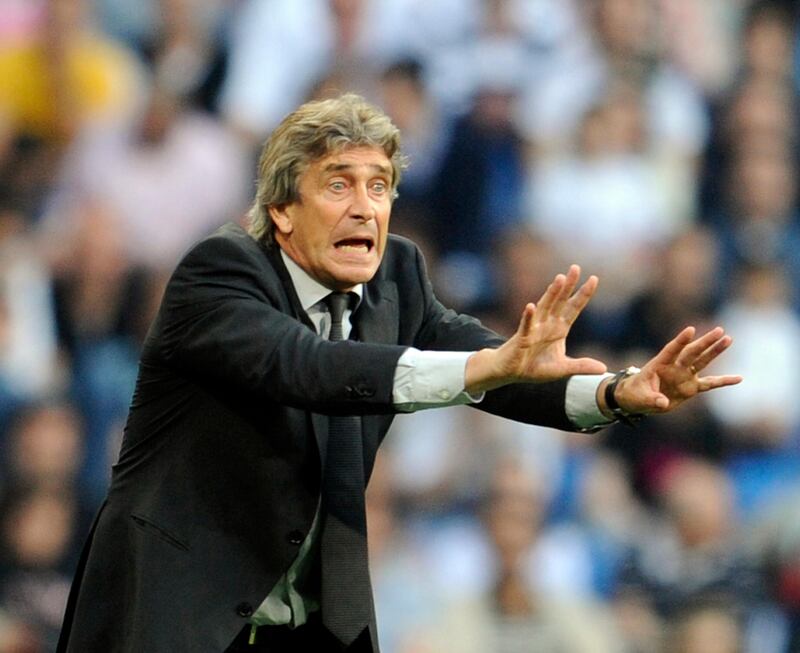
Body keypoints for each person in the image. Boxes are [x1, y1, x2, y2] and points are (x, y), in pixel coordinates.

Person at [56, 93, 741, 652]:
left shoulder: (398, 276)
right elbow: (310, 367)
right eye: (339, 183)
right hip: (175, 616)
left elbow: (493, 355)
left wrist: (616, 390)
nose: (365, 206)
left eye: (379, 185)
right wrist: (484, 365)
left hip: (312, 624)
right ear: (281, 210)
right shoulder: (220, 272)